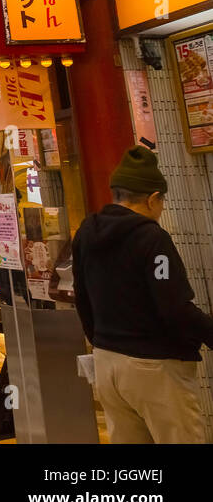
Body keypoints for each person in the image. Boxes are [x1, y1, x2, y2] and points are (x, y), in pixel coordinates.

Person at [72, 145, 213, 443]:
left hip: (107, 362)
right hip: (155, 367)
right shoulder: (152, 239)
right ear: (152, 199)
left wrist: (101, 343)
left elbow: (81, 297)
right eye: (161, 202)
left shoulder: (86, 231)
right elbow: (175, 308)